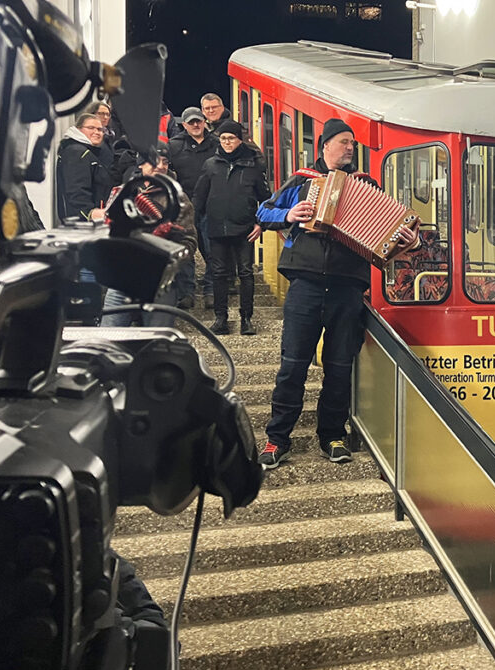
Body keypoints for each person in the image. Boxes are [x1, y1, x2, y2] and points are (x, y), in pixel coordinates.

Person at [255, 118, 419, 468]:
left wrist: (410, 241)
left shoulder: (367, 184)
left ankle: (332, 435)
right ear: (325, 145)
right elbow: (262, 211)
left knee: (340, 366)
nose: (350, 148)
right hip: (305, 285)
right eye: (344, 142)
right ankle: (276, 439)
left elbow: (389, 239)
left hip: (348, 287)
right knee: (293, 365)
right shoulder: (302, 181)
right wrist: (289, 214)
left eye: (352, 143)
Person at [101, 145, 198, 327]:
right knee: (109, 337)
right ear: (141, 165)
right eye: (154, 161)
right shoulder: (122, 192)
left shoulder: (178, 199)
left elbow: (190, 242)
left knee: (156, 341)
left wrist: (171, 252)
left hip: (159, 282)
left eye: (165, 161)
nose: (160, 166)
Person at [193, 120, 270, 335]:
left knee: (245, 273)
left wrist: (261, 224)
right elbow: (199, 197)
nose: (227, 142)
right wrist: (194, 223)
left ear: (239, 140)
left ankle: (247, 318)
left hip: (245, 228)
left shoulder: (253, 165)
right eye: (223, 138)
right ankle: (221, 318)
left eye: (231, 138)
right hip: (216, 228)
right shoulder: (210, 165)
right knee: (219, 273)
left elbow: (266, 199)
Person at [168, 106, 218, 309]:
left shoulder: (217, 143)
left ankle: (211, 291)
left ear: (204, 121)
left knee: (212, 251)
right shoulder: (173, 146)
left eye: (199, 121)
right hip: (183, 207)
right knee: (185, 251)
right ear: (184, 125)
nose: (196, 125)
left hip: (211, 205)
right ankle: (186, 293)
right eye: (191, 122)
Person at [56, 112, 112, 222]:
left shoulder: (85, 152)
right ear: (78, 129)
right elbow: (76, 191)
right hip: (82, 225)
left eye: (100, 129)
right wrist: (90, 213)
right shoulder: (77, 152)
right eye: (91, 128)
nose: (97, 132)